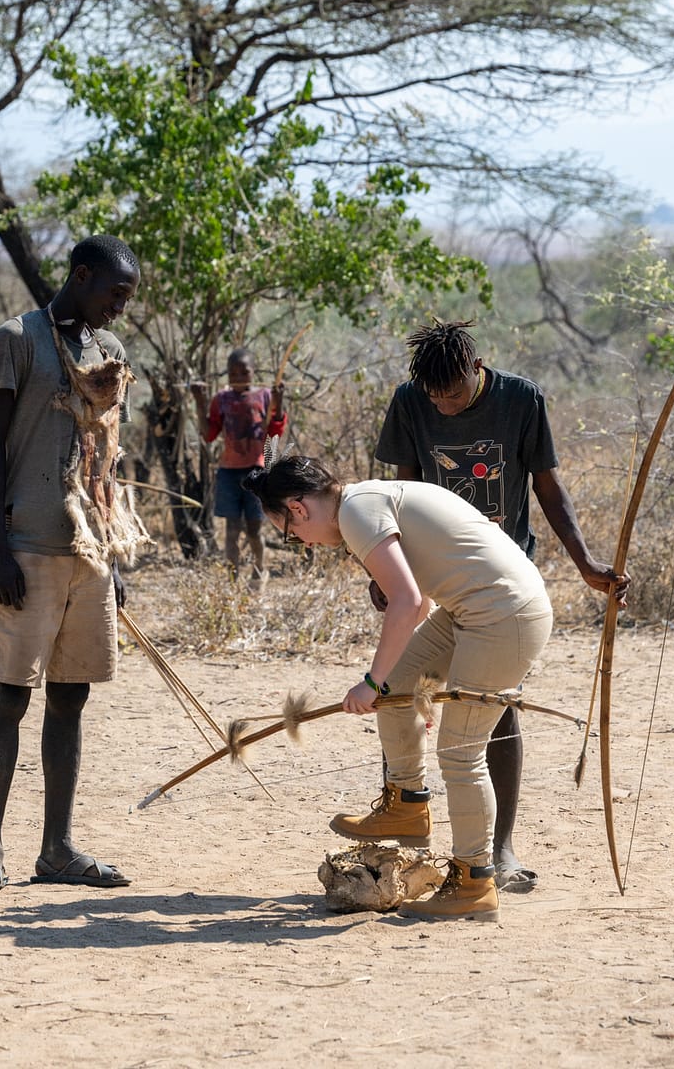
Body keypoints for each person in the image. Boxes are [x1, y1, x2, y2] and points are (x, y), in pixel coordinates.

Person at [371, 317, 628, 894]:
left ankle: (499, 850)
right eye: (436, 397)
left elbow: (548, 487)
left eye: (455, 393)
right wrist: (391, 573)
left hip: (503, 579)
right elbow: (401, 493)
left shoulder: (520, 399)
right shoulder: (411, 402)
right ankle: (403, 824)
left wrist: (587, 565)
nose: (446, 406)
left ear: (476, 367)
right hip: (439, 575)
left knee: (492, 706)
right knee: (396, 689)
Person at [244, 455, 554, 921]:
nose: (301, 541)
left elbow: (407, 602)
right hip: (472, 609)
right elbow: (421, 594)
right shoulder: (364, 502)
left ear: (298, 507)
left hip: (503, 615)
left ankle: (474, 884)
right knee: (398, 688)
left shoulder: (356, 511)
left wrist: (370, 682)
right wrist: (384, 683)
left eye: (289, 531)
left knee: (460, 752)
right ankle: (407, 805)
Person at [0, 234, 147, 897]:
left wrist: (114, 555)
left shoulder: (111, 354)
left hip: (90, 553)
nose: (122, 307)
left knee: (72, 698)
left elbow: (107, 459)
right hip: (28, 548)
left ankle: (57, 850)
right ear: (81, 275)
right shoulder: (16, 339)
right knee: (12, 696)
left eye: (128, 297)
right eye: (115, 293)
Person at [190, 350, 287, 577]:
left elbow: (275, 430)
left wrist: (279, 402)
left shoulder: (265, 396)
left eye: (245, 372)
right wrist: (200, 401)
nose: (239, 377)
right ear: (227, 373)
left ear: (254, 372)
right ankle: (232, 579)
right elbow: (209, 434)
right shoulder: (221, 399)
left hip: (256, 472)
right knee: (232, 529)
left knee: (254, 529)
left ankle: (258, 571)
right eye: (233, 373)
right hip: (228, 472)